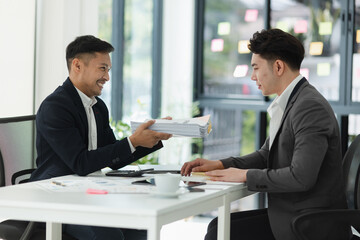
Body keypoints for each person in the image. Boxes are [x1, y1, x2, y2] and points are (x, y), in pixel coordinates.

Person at [181, 29, 351, 240]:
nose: (252, 76)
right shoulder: (292, 101)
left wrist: (244, 175)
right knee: (218, 226)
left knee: (219, 233)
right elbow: (266, 155)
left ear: (278, 66)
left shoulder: (309, 107)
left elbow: (301, 177)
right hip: (292, 215)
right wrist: (221, 165)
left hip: (309, 226)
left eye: (256, 68)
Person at [30, 35, 172, 240]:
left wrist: (150, 139)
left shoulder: (98, 106)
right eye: (102, 68)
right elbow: (80, 163)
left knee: (140, 227)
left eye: (108, 70)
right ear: (77, 65)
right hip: (57, 198)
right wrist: (132, 142)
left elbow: (112, 158)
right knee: (109, 236)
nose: (107, 77)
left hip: (87, 193)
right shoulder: (56, 107)